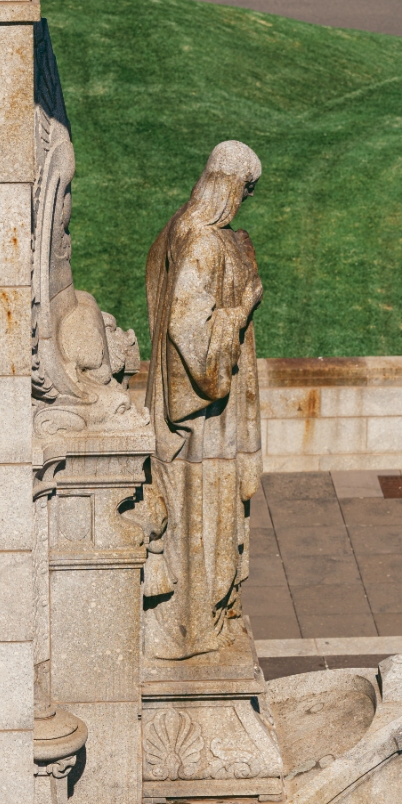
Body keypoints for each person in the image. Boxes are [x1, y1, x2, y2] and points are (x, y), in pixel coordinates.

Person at [143, 141, 264, 660]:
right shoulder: (203, 244)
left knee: (204, 518)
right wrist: (242, 306)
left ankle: (201, 620)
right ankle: (196, 630)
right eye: (244, 192)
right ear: (230, 187)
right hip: (201, 422)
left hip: (198, 416)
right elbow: (187, 330)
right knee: (204, 518)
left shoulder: (179, 228)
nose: (242, 203)